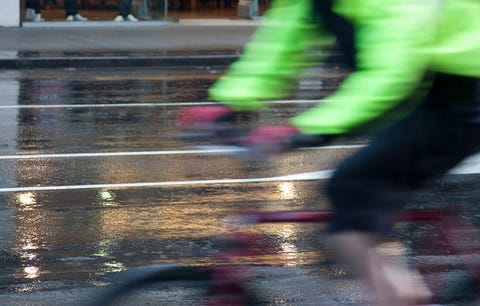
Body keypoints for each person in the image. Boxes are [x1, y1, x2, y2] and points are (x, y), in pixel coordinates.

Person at [179, 0, 480, 304]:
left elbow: (391, 74)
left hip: (458, 95)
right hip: (419, 93)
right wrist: (227, 102)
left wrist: (305, 129)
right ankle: (401, 286)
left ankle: (400, 296)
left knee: (351, 186)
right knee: (362, 195)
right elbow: (279, 49)